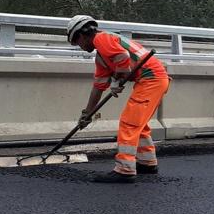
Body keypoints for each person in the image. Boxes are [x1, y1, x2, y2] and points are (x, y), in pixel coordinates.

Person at [67, 15, 170, 184]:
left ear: (82, 34)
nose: (79, 46)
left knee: (129, 123)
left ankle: (124, 170)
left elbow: (122, 57)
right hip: (153, 80)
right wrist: (87, 113)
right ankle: (147, 163)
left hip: (152, 79)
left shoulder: (102, 38)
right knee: (139, 124)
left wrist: (117, 79)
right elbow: (98, 86)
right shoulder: (101, 57)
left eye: (76, 42)